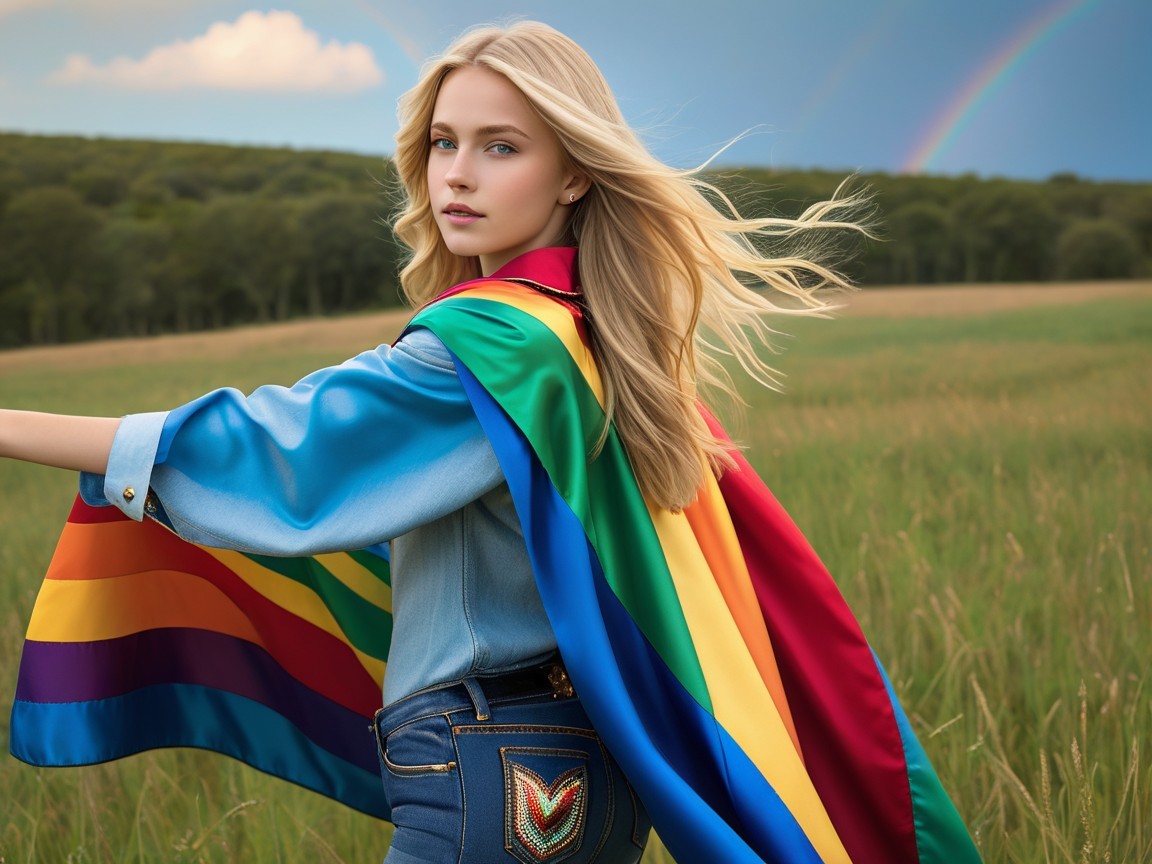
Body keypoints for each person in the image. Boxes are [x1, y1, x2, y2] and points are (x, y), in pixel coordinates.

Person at [2, 21, 981, 864]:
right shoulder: (593, 337)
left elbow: (279, 451)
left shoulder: (489, 348)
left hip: (490, 763)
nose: (458, 174)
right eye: (444, 142)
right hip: (598, 770)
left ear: (575, 173)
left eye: (501, 146)